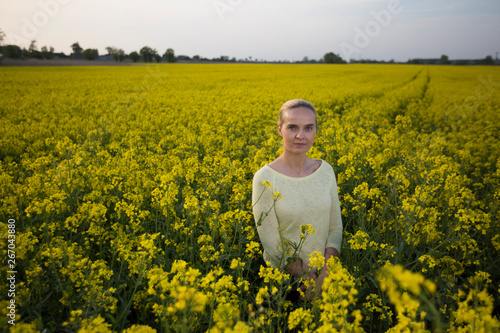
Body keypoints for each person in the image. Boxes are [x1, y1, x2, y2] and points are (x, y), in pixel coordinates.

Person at [252, 99, 343, 300]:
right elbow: (272, 244)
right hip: (286, 282)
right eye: (292, 127)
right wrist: (309, 279)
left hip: (326, 276)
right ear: (279, 129)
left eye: (308, 128)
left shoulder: (326, 171)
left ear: (315, 131)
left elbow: (335, 229)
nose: (301, 136)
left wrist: (325, 274)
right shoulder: (264, 178)